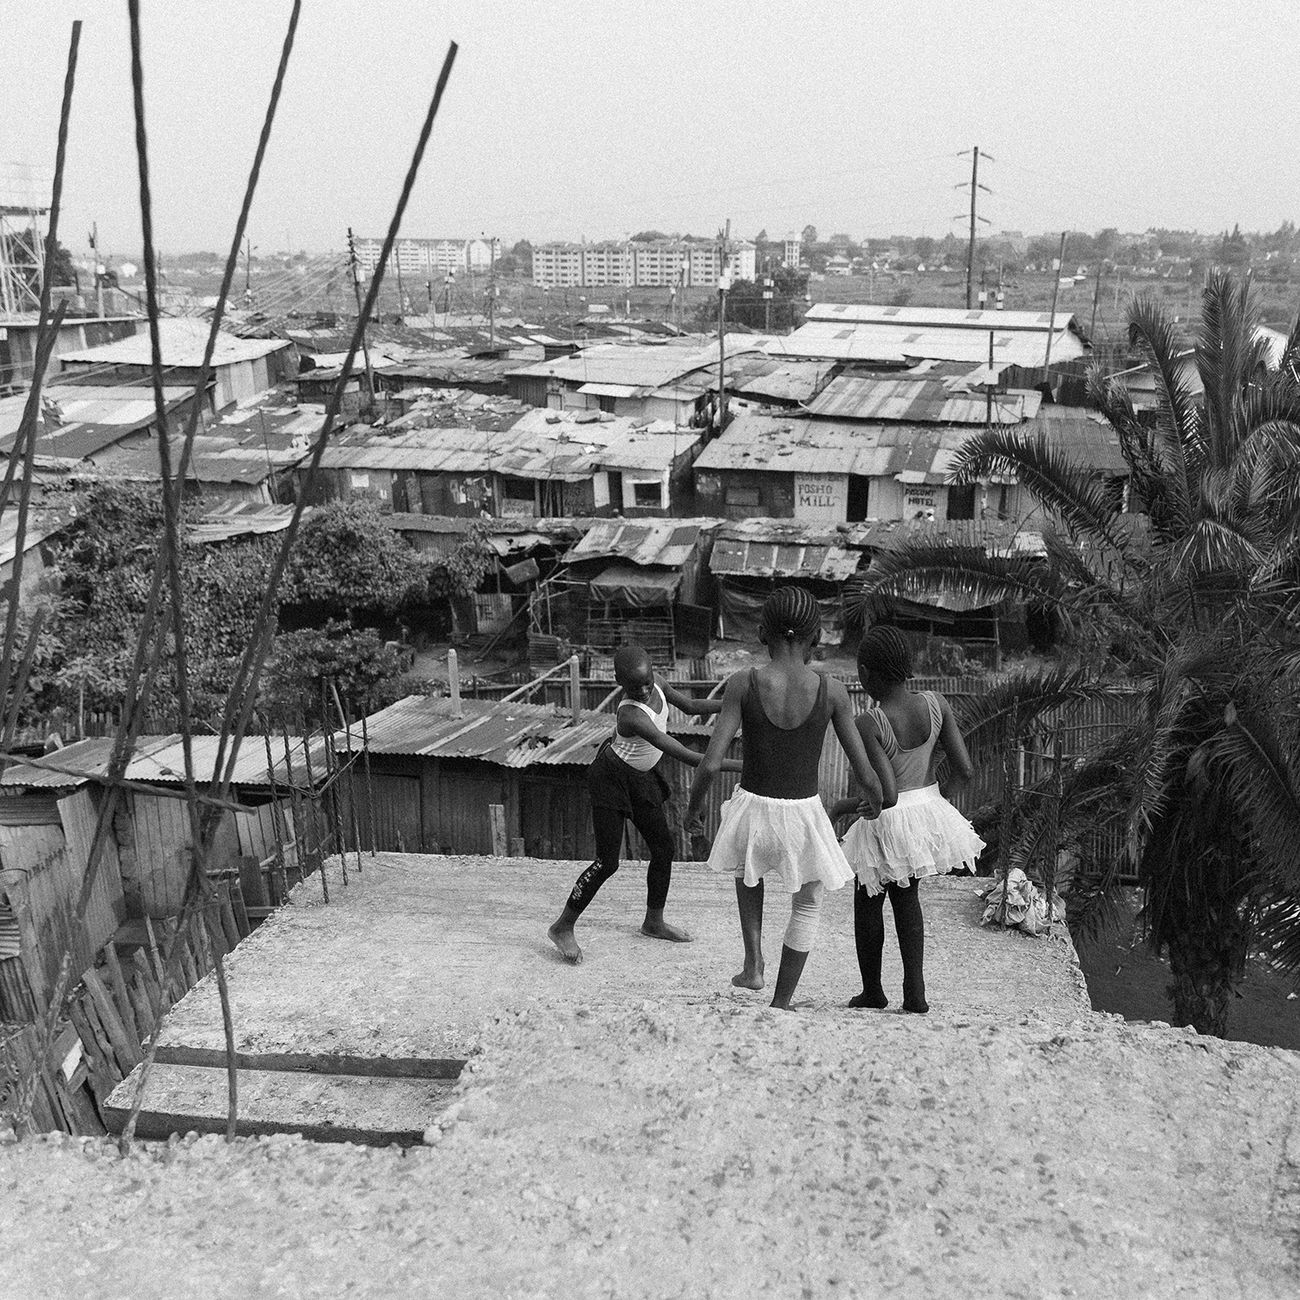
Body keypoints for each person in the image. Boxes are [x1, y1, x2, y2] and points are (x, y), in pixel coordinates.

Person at [686, 587, 891, 1011]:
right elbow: (864, 771)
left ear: (762, 633)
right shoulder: (831, 691)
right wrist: (874, 801)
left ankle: (753, 961)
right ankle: (781, 1001)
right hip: (802, 815)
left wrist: (694, 810)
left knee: (748, 870)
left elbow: (709, 764)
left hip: (754, 809)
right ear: (816, 638)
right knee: (808, 903)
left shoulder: (744, 682)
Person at [547, 645, 741, 965]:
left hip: (640, 776)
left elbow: (691, 706)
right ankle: (562, 926)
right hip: (610, 779)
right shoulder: (631, 715)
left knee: (663, 849)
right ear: (618, 682)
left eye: (646, 681)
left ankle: (654, 921)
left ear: (653, 670)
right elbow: (688, 755)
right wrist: (746, 767)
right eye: (633, 686)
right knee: (608, 862)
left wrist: (735, 704)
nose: (642, 689)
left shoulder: (658, 683)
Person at [833, 625, 984, 1014]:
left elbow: (885, 795)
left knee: (868, 899)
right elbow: (964, 769)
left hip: (888, 819)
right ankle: (915, 993)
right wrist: (935, 803)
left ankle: (873, 991)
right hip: (926, 809)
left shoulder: (872, 722)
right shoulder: (936, 704)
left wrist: (841, 807)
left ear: (866, 674)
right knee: (908, 897)